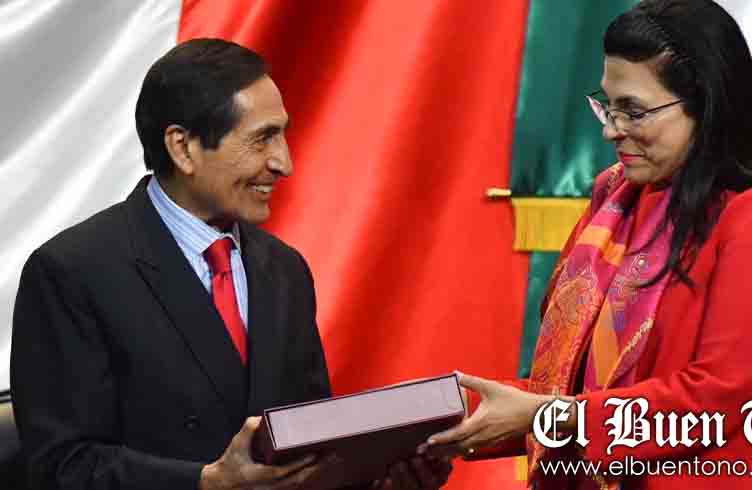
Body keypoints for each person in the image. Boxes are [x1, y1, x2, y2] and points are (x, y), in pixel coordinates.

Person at [423, 1, 752, 489]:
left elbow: (716, 402)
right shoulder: (616, 198)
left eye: (633, 111)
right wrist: (443, 425)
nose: (610, 129)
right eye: (608, 104)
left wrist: (549, 417)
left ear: (708, 106)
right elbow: (571, 382)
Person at [11, 38, 450, 490]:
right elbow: (60, 467)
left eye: (282, 134)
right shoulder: (72, 272)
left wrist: (378, 479)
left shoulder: (285, 271)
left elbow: (307, 454)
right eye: (262, 138)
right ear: (183, 148)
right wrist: (206, 483)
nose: (284, 163)